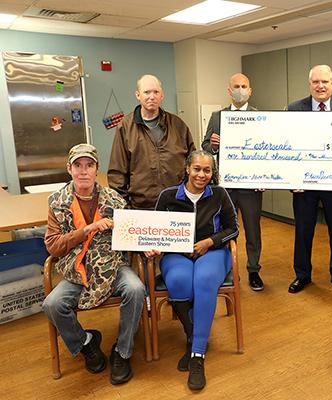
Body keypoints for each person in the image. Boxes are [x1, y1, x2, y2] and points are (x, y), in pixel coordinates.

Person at [42, 143, 146, 385]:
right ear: (69, 169)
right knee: (52, 304)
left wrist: (145, 244)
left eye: (89, 166)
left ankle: (123, 351)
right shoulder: (58, 202)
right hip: (77, 271)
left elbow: (131, 234)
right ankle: (86, 342)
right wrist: (85, 230)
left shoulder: (114, 200)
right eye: (78, 165)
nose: (83, 171)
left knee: (136, 289)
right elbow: (53, 246)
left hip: (112, 267)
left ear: (97, 169)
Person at [146, 150, 239, 391]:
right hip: (177, 254)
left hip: (213, 252)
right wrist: (157, 245)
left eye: (207, 170)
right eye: (197, 169)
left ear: (212, 172)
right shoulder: (168, 196)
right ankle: (194, 335)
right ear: (187, 169)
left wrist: (210, 242)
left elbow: (233, 228)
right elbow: (156, 229)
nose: (201, 174)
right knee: (179, 280)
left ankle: (197, 354)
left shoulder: (219, 194)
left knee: (205, 279)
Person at [286, 64, 332, 294]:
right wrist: (291, 180)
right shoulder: (295, 109)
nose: (320, 86)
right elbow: (288, 145)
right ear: (310, 85)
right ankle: (302, 274)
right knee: (303, 231)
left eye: (325, 81)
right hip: (304, 186)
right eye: (316, 82)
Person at [201, 73, 265, 291]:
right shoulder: (217, 116)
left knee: (252, 230)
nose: (240, 89)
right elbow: (206, 148)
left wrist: (265, 176)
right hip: (225, 187)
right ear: (229, 91)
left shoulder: (261, 117)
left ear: (250, 90)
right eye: (236, 86)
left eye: (244, 86)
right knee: (225, 229)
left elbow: (268, 148)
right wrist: (214, 145)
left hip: (251, 186)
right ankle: (227, 269)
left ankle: (254, 270)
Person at [108, 74, 196, 210]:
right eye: (147, 92)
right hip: (141, 207)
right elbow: (117, 172)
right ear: (138, 95)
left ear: (162, 95)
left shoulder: (178, 125)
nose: (152, 96)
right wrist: (124, 207)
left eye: (156, 92)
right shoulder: (125, 126)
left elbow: (192, 163)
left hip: (177, 204)